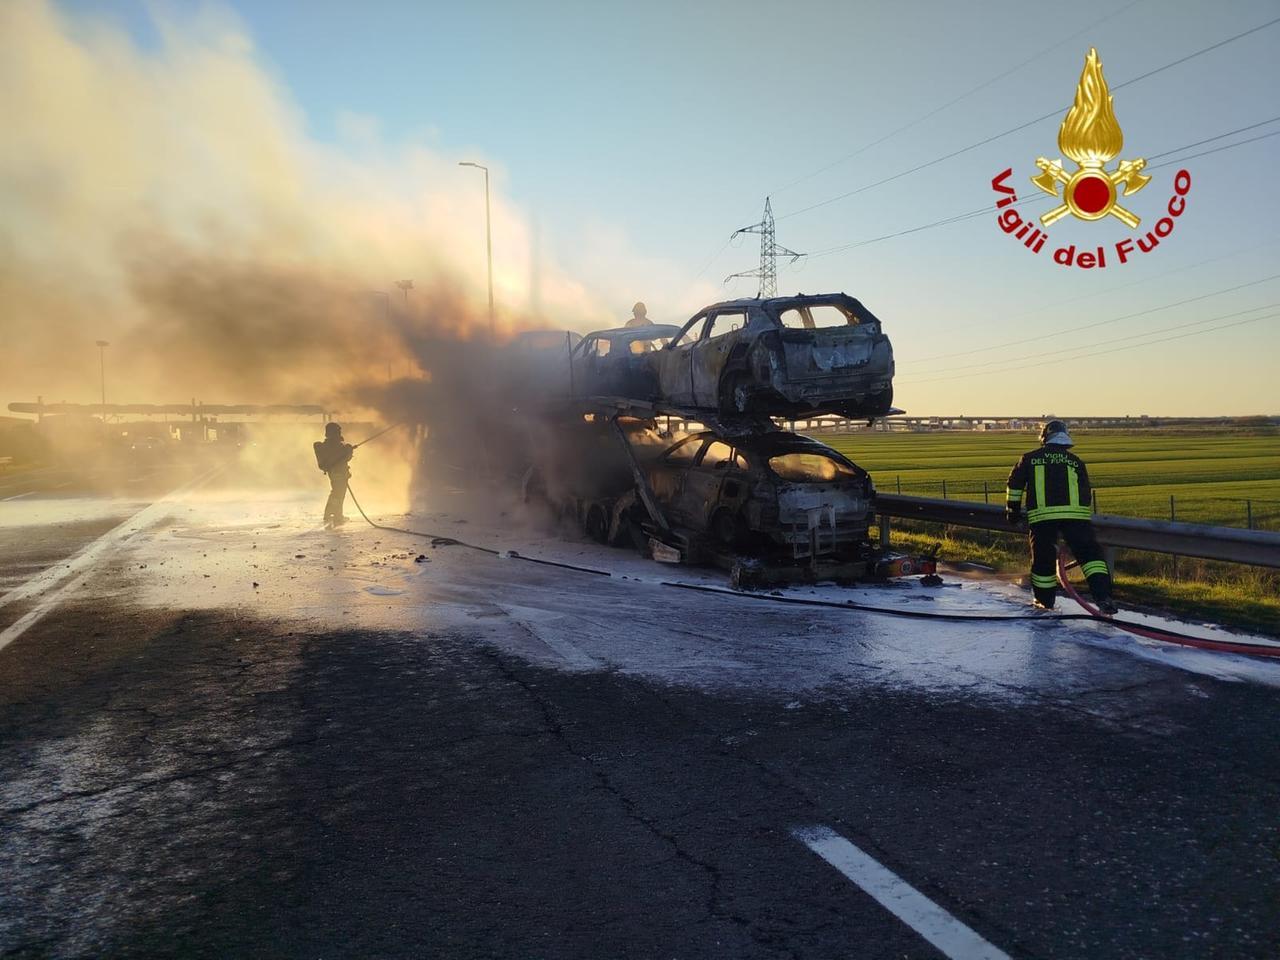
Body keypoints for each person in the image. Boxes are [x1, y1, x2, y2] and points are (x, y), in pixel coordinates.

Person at [1006, 419, 1118, 615]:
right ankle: (1104, 598)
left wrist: (1012, 512)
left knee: (1043, 561)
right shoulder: (1075, 461)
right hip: (1077, 520)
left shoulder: (1029, 458)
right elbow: (1085, 493)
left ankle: (1045, 603)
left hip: (1043, 519)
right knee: (1091, 557)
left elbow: (1014, 486)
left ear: (1045, 438)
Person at [314, 422, 354, 529]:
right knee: (338, 494)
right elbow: (344, 457)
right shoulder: (335, 446)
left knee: (336, 493)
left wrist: (347, 450)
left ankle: (332, 514)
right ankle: (336, 516)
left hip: (336, 473)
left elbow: (344, 457)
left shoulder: (332, 446)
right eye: (338, 432)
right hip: (338, 473)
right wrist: (348, 450)